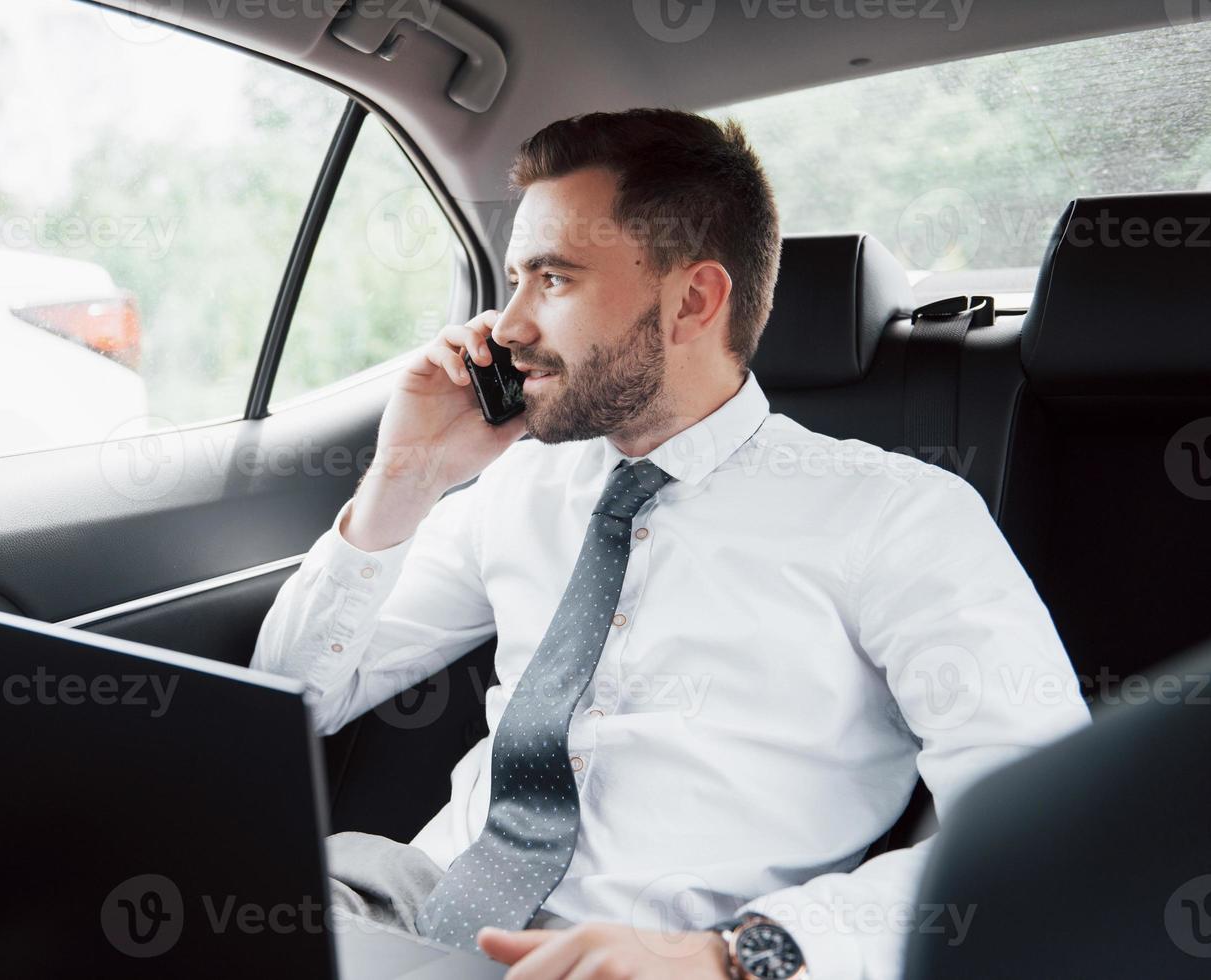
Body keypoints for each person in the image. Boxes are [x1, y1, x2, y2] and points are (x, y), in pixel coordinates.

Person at [251, 108, 1088, 980]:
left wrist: (739, 957)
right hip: (409, 905)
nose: (505, 327)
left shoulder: (898, 518)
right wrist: (404, 481)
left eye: (554, 279)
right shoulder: (514, 484)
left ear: (692, 300)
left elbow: (1044, 830)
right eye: (512, 280)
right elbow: (288, 702)